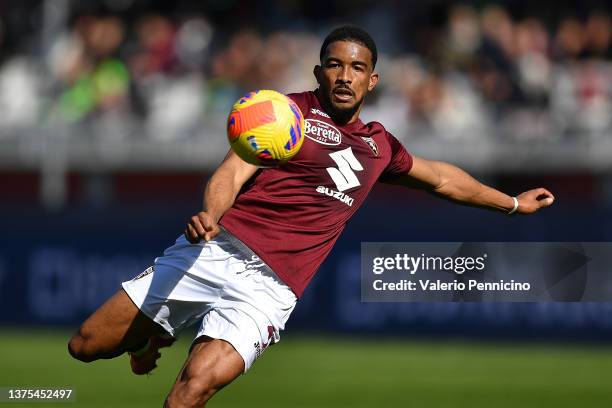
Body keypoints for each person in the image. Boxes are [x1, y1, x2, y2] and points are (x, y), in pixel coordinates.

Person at [67, 26, 554, 407]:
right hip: (215, 250)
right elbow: (232, 172)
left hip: (269, 291)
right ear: (319, 72)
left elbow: (442, 179)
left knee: (190, 393)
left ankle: (159, 335)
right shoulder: (283, 114)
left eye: (357, 68)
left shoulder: (380, 146)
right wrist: (210, 213)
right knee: (85, 346)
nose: (345, 76)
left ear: (372, 79)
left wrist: (512, 203)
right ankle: (147, 338)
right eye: (335, 66)